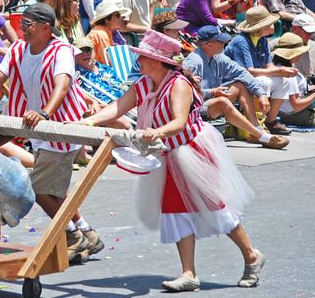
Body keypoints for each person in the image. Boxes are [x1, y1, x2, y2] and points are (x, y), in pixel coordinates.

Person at [84, 30, 265, 292]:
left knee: (214, 207)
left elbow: (179, 122)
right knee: (175, 210)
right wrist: (86, 121)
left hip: (192, 150)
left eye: (143, 57)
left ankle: (251, 255)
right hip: (168, 152)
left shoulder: (178, 84)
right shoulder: (145, 84)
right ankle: (188, 273)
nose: (139, 62)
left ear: (157, 60)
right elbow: (117, 107)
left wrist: (156, 132)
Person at [0, 3, 103, 262]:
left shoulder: (61, 50)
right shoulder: (17, 48)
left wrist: (45, 113)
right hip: (31, 126)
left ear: (46, 28)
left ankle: (73, 236)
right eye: (21, 24)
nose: (21, 29)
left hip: (59, 128)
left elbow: (62, 85)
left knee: (39, 189)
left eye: (27, 25)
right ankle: (87, 233)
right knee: (53, 192)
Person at [183, 26, 288, 149]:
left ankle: (256, 130)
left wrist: (262, 94)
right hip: (196, 108)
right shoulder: (193, 62)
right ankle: (262, 136)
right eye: (220, 41)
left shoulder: (219, 57)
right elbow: (187, 94)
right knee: (222, 101)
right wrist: (212, 92)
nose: (225, 43)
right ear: (209, 45)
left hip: (212, 100)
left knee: (240, 85)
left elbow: (242, 73)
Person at [225, 5, 294, 135]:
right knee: (264, 81)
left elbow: (269, 67)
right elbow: (248, 72)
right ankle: (257, 124)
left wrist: (283, 72)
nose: (273, 24)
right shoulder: (241, 41)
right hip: (235, 81)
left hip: (252, 78)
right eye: (269, 23)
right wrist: (279, 71)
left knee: (285, 81)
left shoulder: (262, 40)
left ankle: (271, 121)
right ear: (260, 27)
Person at [267, 33, 315, 127]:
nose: (300, 55)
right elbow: (296, 105)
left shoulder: (275, 67)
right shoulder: (290, 74)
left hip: (284, 112)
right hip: (295, 115)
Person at [87, 0, 131, 65]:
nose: (121, 18)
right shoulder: (101, 34)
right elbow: (109, 62)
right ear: (106, 19)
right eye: (117, 15)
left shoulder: (104, 31)